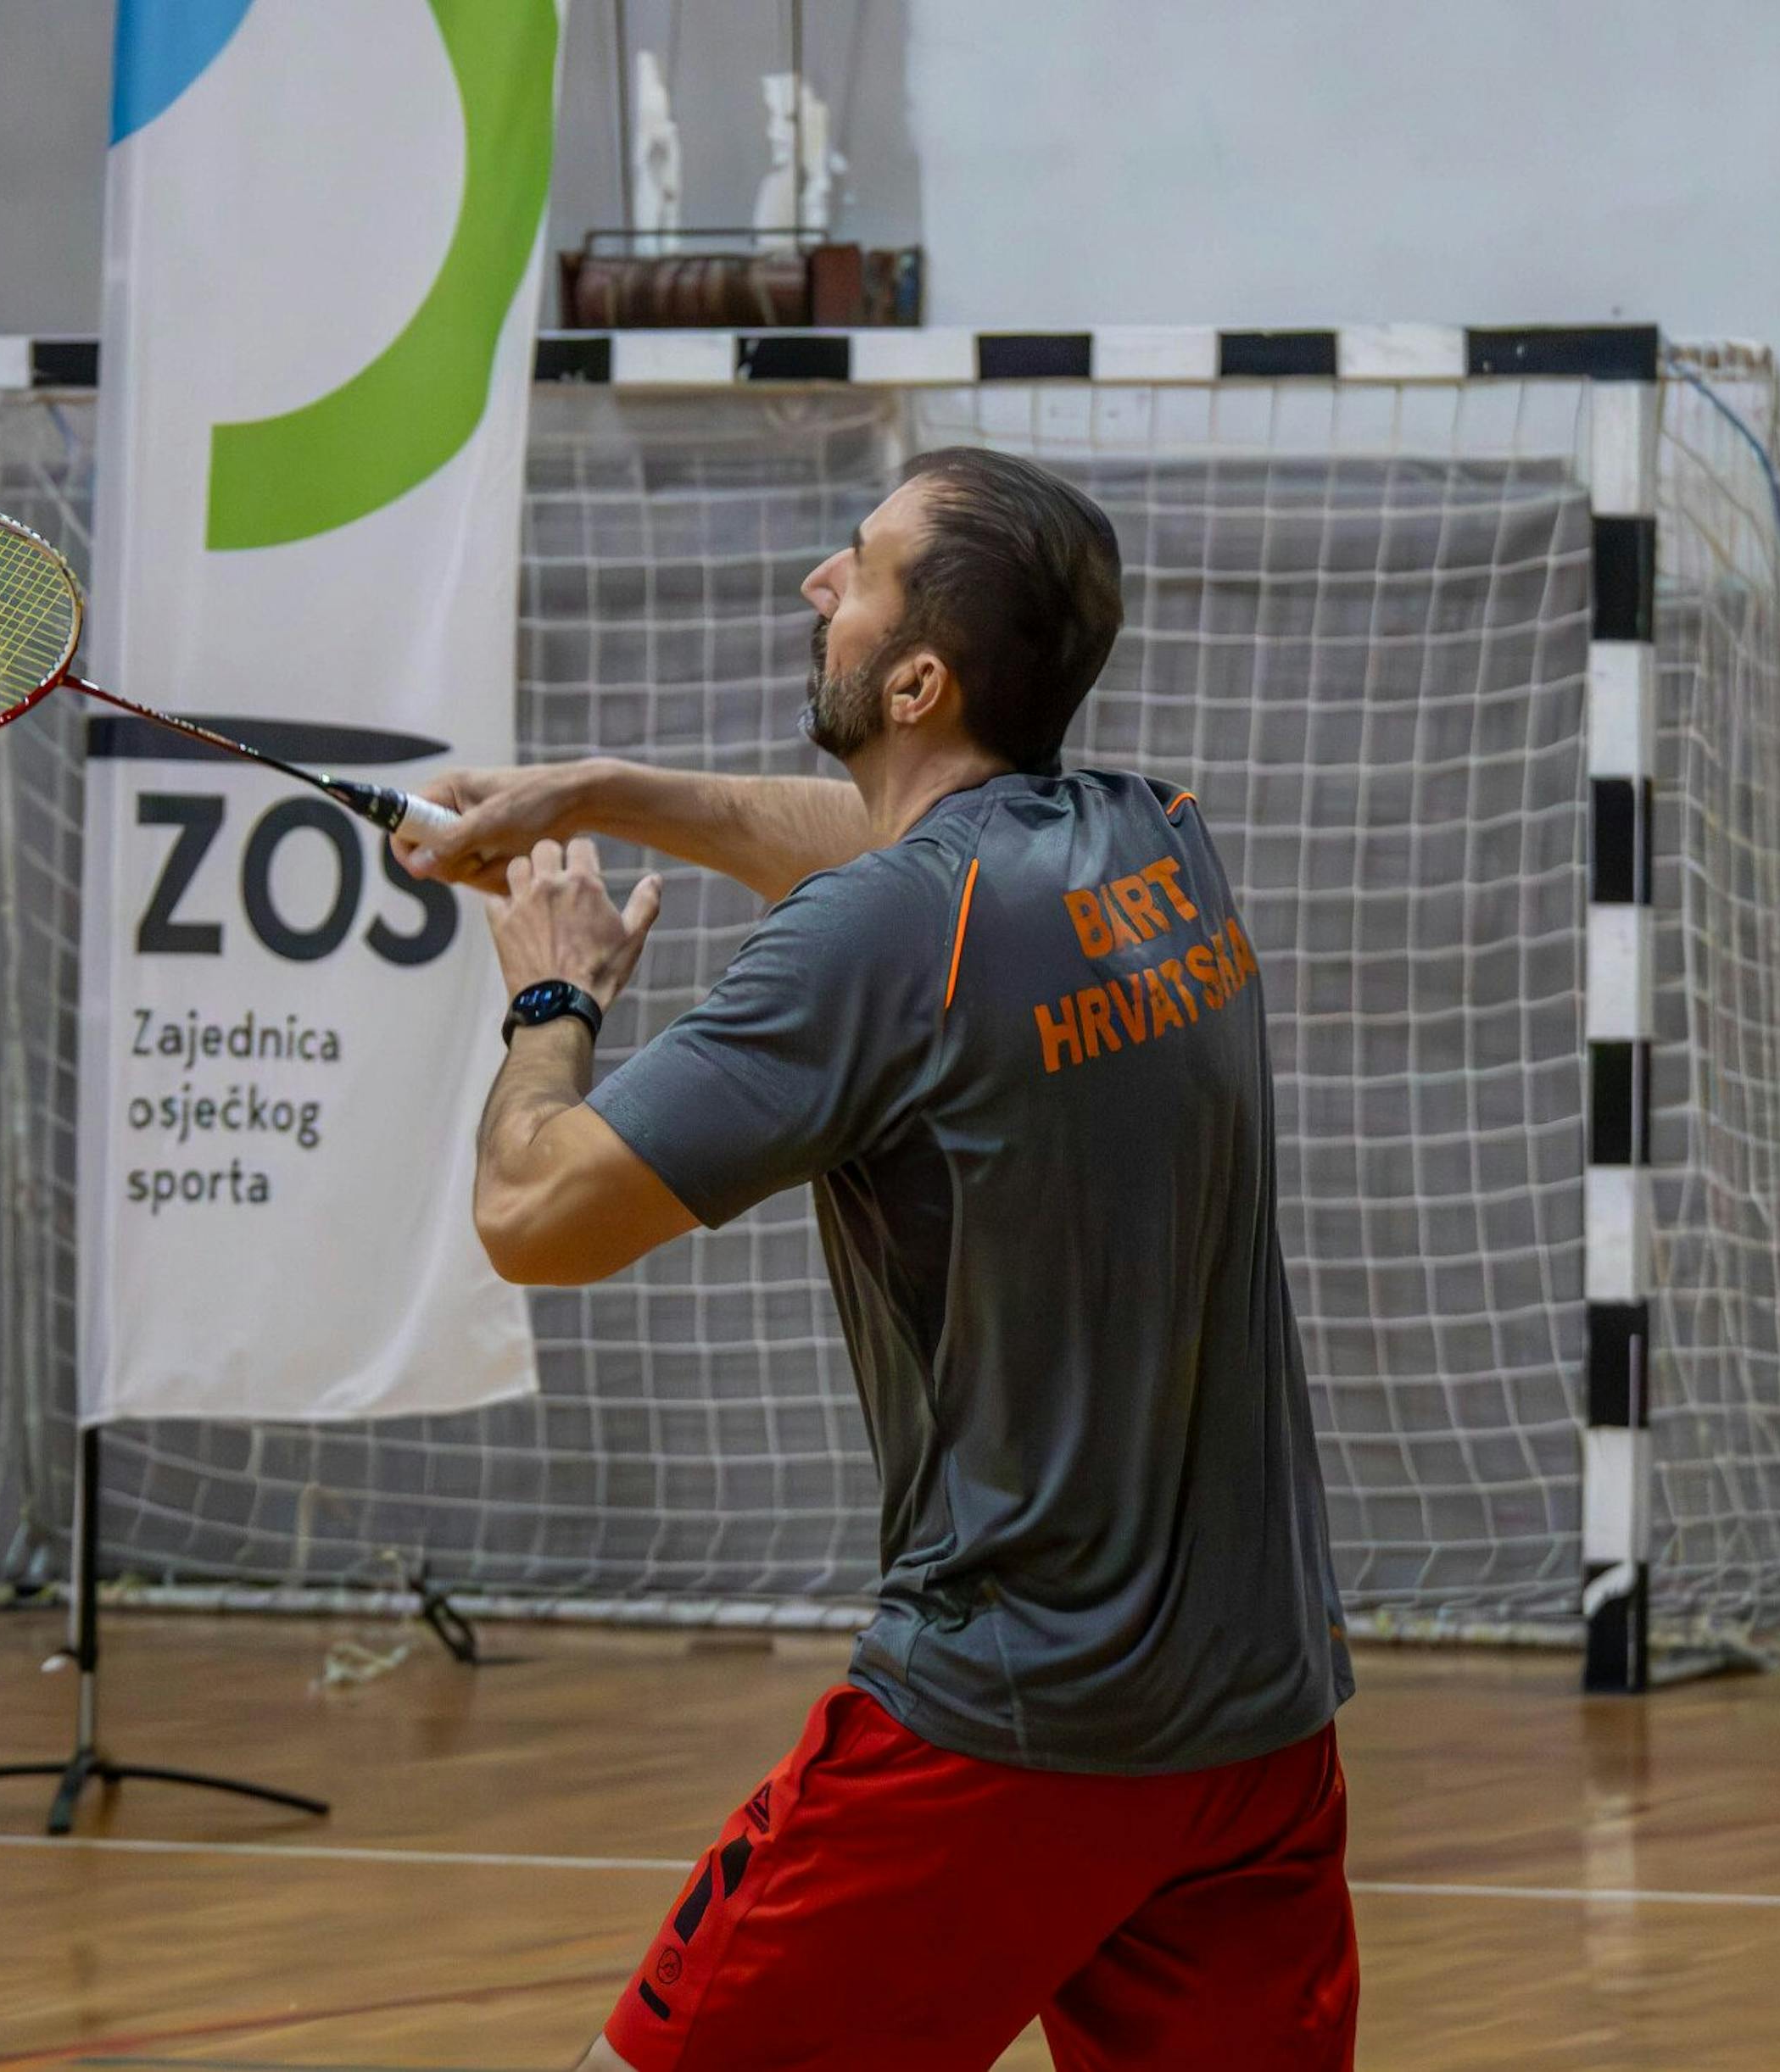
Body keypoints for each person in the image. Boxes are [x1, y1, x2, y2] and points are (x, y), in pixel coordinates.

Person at [403, 448, 1358, 2069]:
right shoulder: (1154, 845)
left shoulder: (881, 933)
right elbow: (859, 847)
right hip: (1258, 1733)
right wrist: (599, 793)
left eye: (856, 567)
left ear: (917, 675)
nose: (814, 586)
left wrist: (554, 995)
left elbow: (535, 1218)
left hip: (1004, 1729)